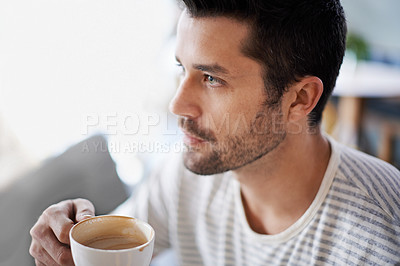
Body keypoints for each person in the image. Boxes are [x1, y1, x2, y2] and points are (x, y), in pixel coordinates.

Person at [30, 0, 400, 265]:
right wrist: (68, 243)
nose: (177, 105)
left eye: (211, 78)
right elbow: (120, 243)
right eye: (182, 69)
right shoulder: (187, 175)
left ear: (300, 98)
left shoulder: (379, 238)